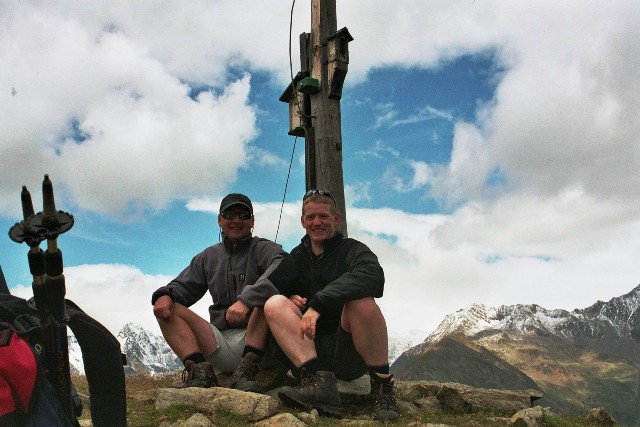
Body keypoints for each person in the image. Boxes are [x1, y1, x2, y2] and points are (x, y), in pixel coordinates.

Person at [264, 189, 399, 421]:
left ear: (336, 219)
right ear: (303, 222)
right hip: (308, 351)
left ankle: (381, 388)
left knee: (362, 302)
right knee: (275, 303)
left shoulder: (352, 250)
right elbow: (270, 285)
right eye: (311, 217)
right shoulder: (297, 256)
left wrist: (319, 302)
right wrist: (289, 294)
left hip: (347, 351)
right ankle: (319, 385)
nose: (317, 222)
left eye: (324, 216)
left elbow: (373, 275)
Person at [152, 193, 293, 392]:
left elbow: (285, 265)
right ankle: (200, 373)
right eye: (230, 214)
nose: (236, 220)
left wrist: (247, 300)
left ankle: (247, 372)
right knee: (168, 307)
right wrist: (164, 294)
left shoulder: (263, 249)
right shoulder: (208, 256)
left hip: (259, 344)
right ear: (220, 220)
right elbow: (183, 286)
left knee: (268, 299)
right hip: (220, 342)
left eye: (243, 215)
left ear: (252, 221)